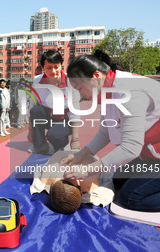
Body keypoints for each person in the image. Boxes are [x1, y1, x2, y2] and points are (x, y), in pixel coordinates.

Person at [61, 50, 160, 212]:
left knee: (131, 198)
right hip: (150, 155)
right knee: (118, 179)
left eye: (80, 88)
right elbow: (105, 131)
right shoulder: (105, 90)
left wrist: (87, 169)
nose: (81, 95)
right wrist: (80, 155)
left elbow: (130, 147)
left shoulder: (129, 92)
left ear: (96, 76)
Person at [28, 50, 81, 154]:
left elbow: (75, 112)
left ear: (61, 65)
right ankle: (40, 145)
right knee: (36, 110)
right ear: (42, 67)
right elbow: (32, 106)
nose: (53, 71)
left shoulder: (70, 82)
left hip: (65, 121)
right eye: (48, 68)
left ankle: (61, 141)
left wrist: (75, 140)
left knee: (54, 136)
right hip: (48, 118)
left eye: (56, 67)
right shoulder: (37, 81)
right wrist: (31, 132)